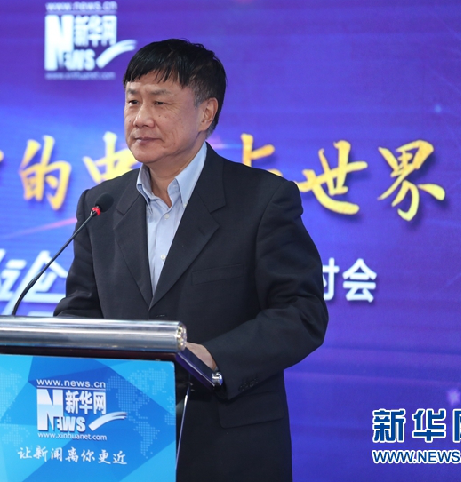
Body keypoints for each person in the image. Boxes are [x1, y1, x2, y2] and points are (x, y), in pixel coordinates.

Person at [54, 39, 328, 481]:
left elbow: (301, 313)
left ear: (205, 114)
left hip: (227, 449)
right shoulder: (100, 204)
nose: (141, 118)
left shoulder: (262, 200)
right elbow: (79, 312)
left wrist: (210, 357)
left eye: (160, 103)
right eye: (132, 101)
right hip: (120, 443)